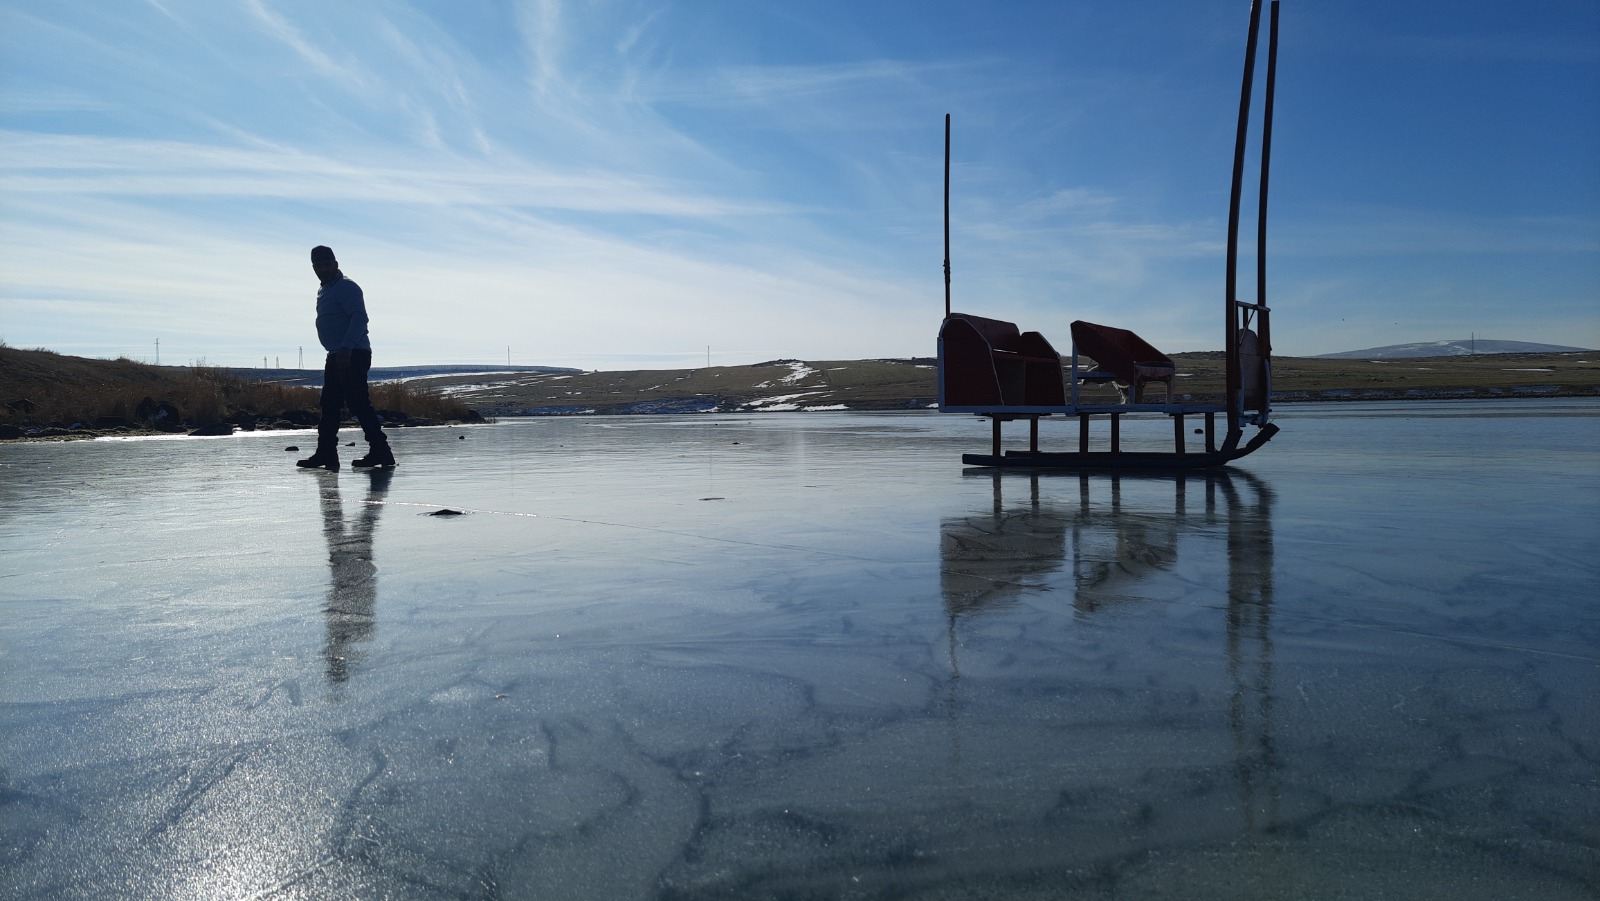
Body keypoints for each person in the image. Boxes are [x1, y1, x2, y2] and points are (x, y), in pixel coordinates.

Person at [297, 245, 396, 470]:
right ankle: (326, 453)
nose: (322, 269)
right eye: (318, 265)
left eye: (326, 264)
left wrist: (347, 348)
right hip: (337, 354)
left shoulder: (346, 287)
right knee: (329, 405)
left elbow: (360, 318)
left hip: (351, 353)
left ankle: (381, 451)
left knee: (358, 403)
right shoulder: (325, 290)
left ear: (335, 264)